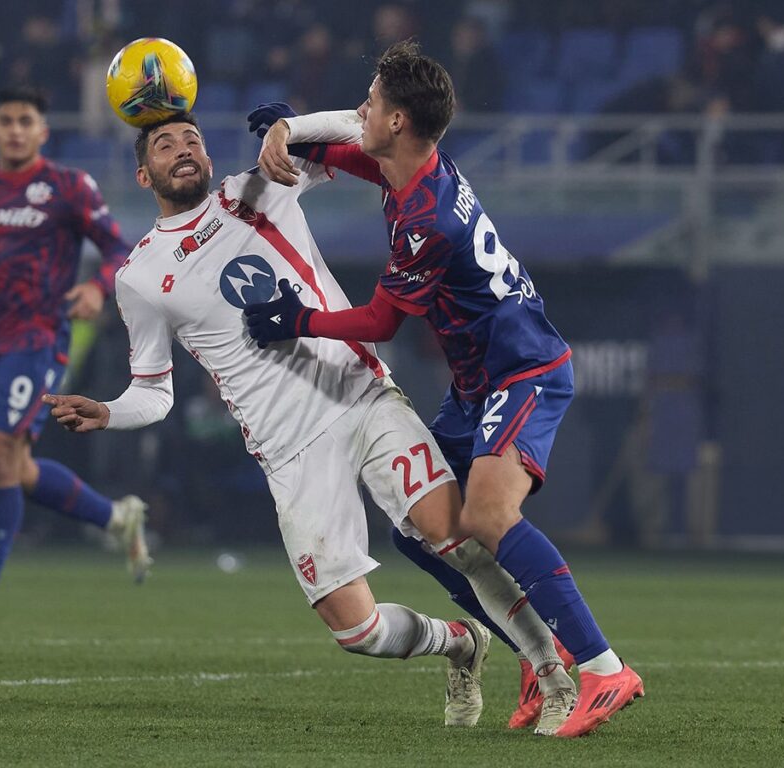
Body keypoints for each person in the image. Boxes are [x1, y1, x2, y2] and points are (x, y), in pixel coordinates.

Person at [43, 112, 574, 730]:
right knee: (357, 630)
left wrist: (289, 129)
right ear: (143, 175)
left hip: (362, 396)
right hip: (288, 449)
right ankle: (459, 642)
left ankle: (554, 675)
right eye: (165, 145)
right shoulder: (138, 277)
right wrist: (109, 411)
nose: (182, 149)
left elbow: (364, 125)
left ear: (209, 157)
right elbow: (154, 393)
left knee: (455, 538)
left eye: (192, 140)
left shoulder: (258, 186)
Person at [246, 41, 644, 737]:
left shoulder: (428, 218)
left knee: (487, 516)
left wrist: (298, 320)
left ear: (398, 121)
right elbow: (349, 153)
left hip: (522, 371)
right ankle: (534, 653)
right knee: (418, 531)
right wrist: (293, 133)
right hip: (475, 386)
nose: (361, 110)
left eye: (372, 101)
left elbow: (381, 323)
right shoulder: (415, 169)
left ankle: (604, 668)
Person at [0, 85, 149, 635]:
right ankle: (116, 517)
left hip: (38, 339)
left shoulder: (69, 187)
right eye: (7, 120)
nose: (16, 130)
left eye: (26, 120)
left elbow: (119, 249)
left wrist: (95, 287)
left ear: (43, 131)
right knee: (12, 467)